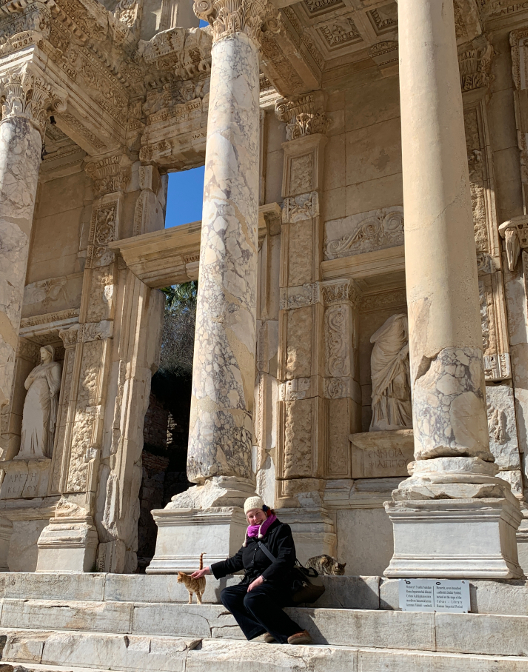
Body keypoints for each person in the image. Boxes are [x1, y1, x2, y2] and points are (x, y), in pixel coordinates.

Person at [191, 496, 312, 645]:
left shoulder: (280, 530)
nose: (255, 518)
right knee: (228, 595)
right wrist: (207, 570)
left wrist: (262, 578)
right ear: (247, 519)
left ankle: (293, 631)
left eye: (258, 513)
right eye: (251, 516)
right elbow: (236, 561)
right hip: (252, 583)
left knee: (252, 599)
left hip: (276, 582)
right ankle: (263, 629)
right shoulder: (250, 537)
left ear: (266, 512)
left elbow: (286, 558)